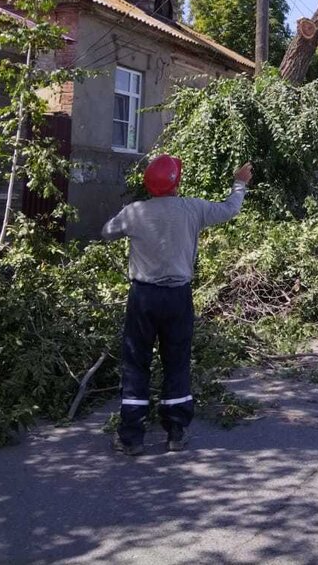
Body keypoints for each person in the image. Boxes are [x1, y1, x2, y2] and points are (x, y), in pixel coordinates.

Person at [102, 155, 253, 456]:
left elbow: (106, 232)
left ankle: (131, 437)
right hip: (177, 297)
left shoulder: (134, 212)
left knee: (136, 362)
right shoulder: (192, 208)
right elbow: (230, 209)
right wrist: (240, 183)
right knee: (177, 360)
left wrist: (131, 225)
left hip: (143, 296)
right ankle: (176, 432)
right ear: (176, 182)